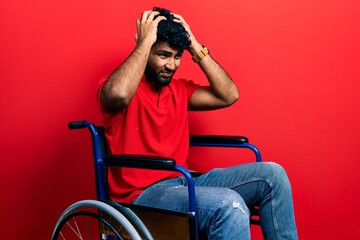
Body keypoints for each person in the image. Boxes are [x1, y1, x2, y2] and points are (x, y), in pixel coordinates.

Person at [97, 7, 298, 240]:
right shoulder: (119, 87)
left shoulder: (180, 89)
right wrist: (145, 41)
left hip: (185, 181)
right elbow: (118, 94)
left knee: (273, 176)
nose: (171, 65)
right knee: (228, 205)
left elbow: (228, 95)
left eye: (177, 56)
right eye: (163, 54)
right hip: (143, 195)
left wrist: (195, 46)